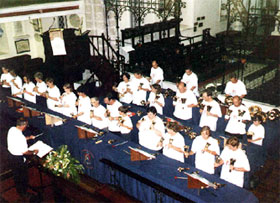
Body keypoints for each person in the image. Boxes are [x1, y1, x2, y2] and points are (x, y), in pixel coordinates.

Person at [7, 118, 38, 199]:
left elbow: (18, 139)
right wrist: (34, 152)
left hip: (11, 156)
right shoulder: (20, 138)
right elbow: (25, 152)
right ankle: (23, 193)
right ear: (23, 126)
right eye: (26, 125)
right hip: (18, 159)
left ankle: (20, 189)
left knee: (16, 174)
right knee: (23, 176)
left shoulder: (12, 129)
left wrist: (29, 137)